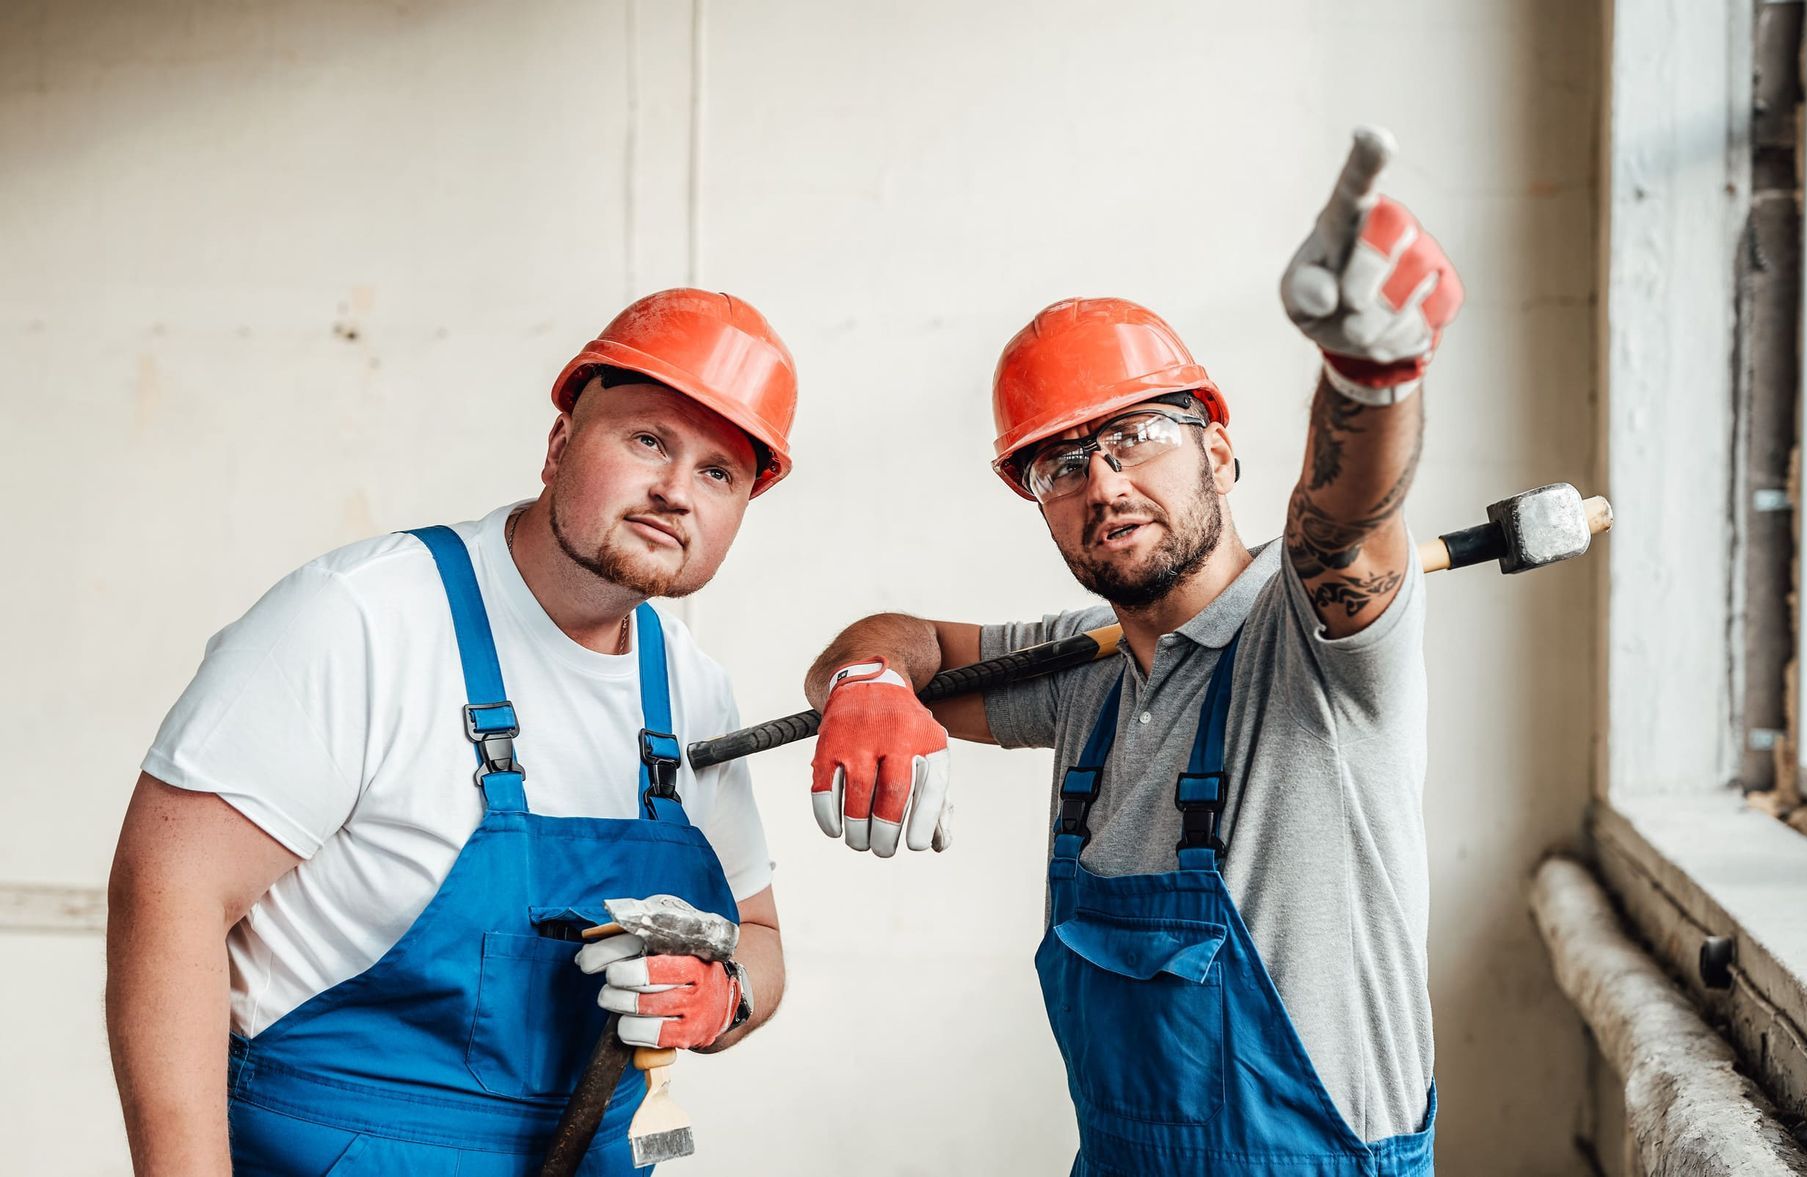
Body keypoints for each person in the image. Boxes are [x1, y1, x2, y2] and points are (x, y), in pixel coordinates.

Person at [803, 129, 1462, 1175]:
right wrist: (867, 680)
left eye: (1136, 437)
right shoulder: (1084, 669)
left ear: (1220, 450)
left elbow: (1343, 524)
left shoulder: (1312, 643)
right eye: (1060, 464)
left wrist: (1368, 377)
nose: (1102, 483)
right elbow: (900, 638)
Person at [107, 288, 794, 1175]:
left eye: (719, 473)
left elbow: (760, 935)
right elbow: (168, 895)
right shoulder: (362, 618)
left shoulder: (690, 690)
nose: (675, 491)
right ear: (559, 444)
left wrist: (724, 994)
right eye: (648, 440)